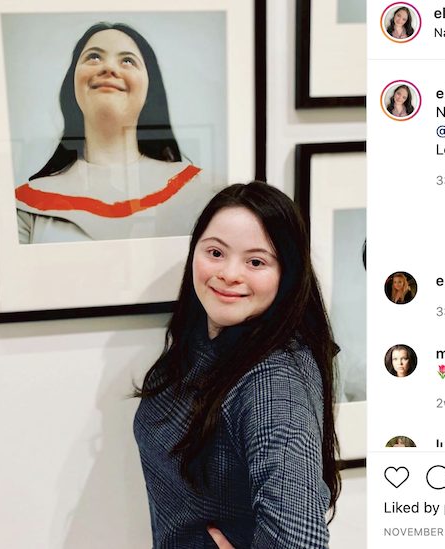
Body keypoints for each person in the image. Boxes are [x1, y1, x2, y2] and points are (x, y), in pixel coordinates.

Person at [133, 182, 340, 548]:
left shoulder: (273, 380)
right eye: (215, 252)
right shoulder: (203, 339)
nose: (229, 273)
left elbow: (300, 541)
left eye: (256, 261)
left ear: (286, 274)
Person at [15, 23, 203, 244]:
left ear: (150, 90)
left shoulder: (200, 190)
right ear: (72, 85)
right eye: (93, 57)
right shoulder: (26, 205)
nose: (109, 69)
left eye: (127, 60)